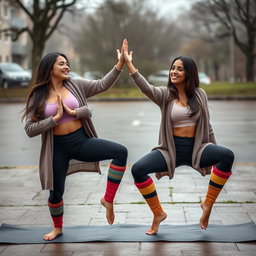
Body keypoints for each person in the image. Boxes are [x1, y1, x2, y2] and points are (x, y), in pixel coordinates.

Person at [122, 39, 234, 235]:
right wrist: (129, 63)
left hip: (198, 149)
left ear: (189, 74)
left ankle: (207, 204)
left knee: (227, 155)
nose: (173, 71)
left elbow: (207, 126)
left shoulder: (200, 95)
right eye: (172, 68)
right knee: (138, 169)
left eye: (179, 69)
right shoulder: (165, 95)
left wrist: (213, 150)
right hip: (170, 151)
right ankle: (158, 213)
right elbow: (145, 87)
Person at [21, 42, 128, 240]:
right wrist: (53, 119)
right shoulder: (38, 96)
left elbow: (101, 84)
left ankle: (108, 199)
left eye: (67, 63)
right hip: (57, 149)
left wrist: (120, 64)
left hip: (81, 142)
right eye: (61, 63)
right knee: (56, 194)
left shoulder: (75, 84)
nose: (66, 67)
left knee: (121, 152)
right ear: (49, 68)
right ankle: (57, 228)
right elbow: (29, 130)